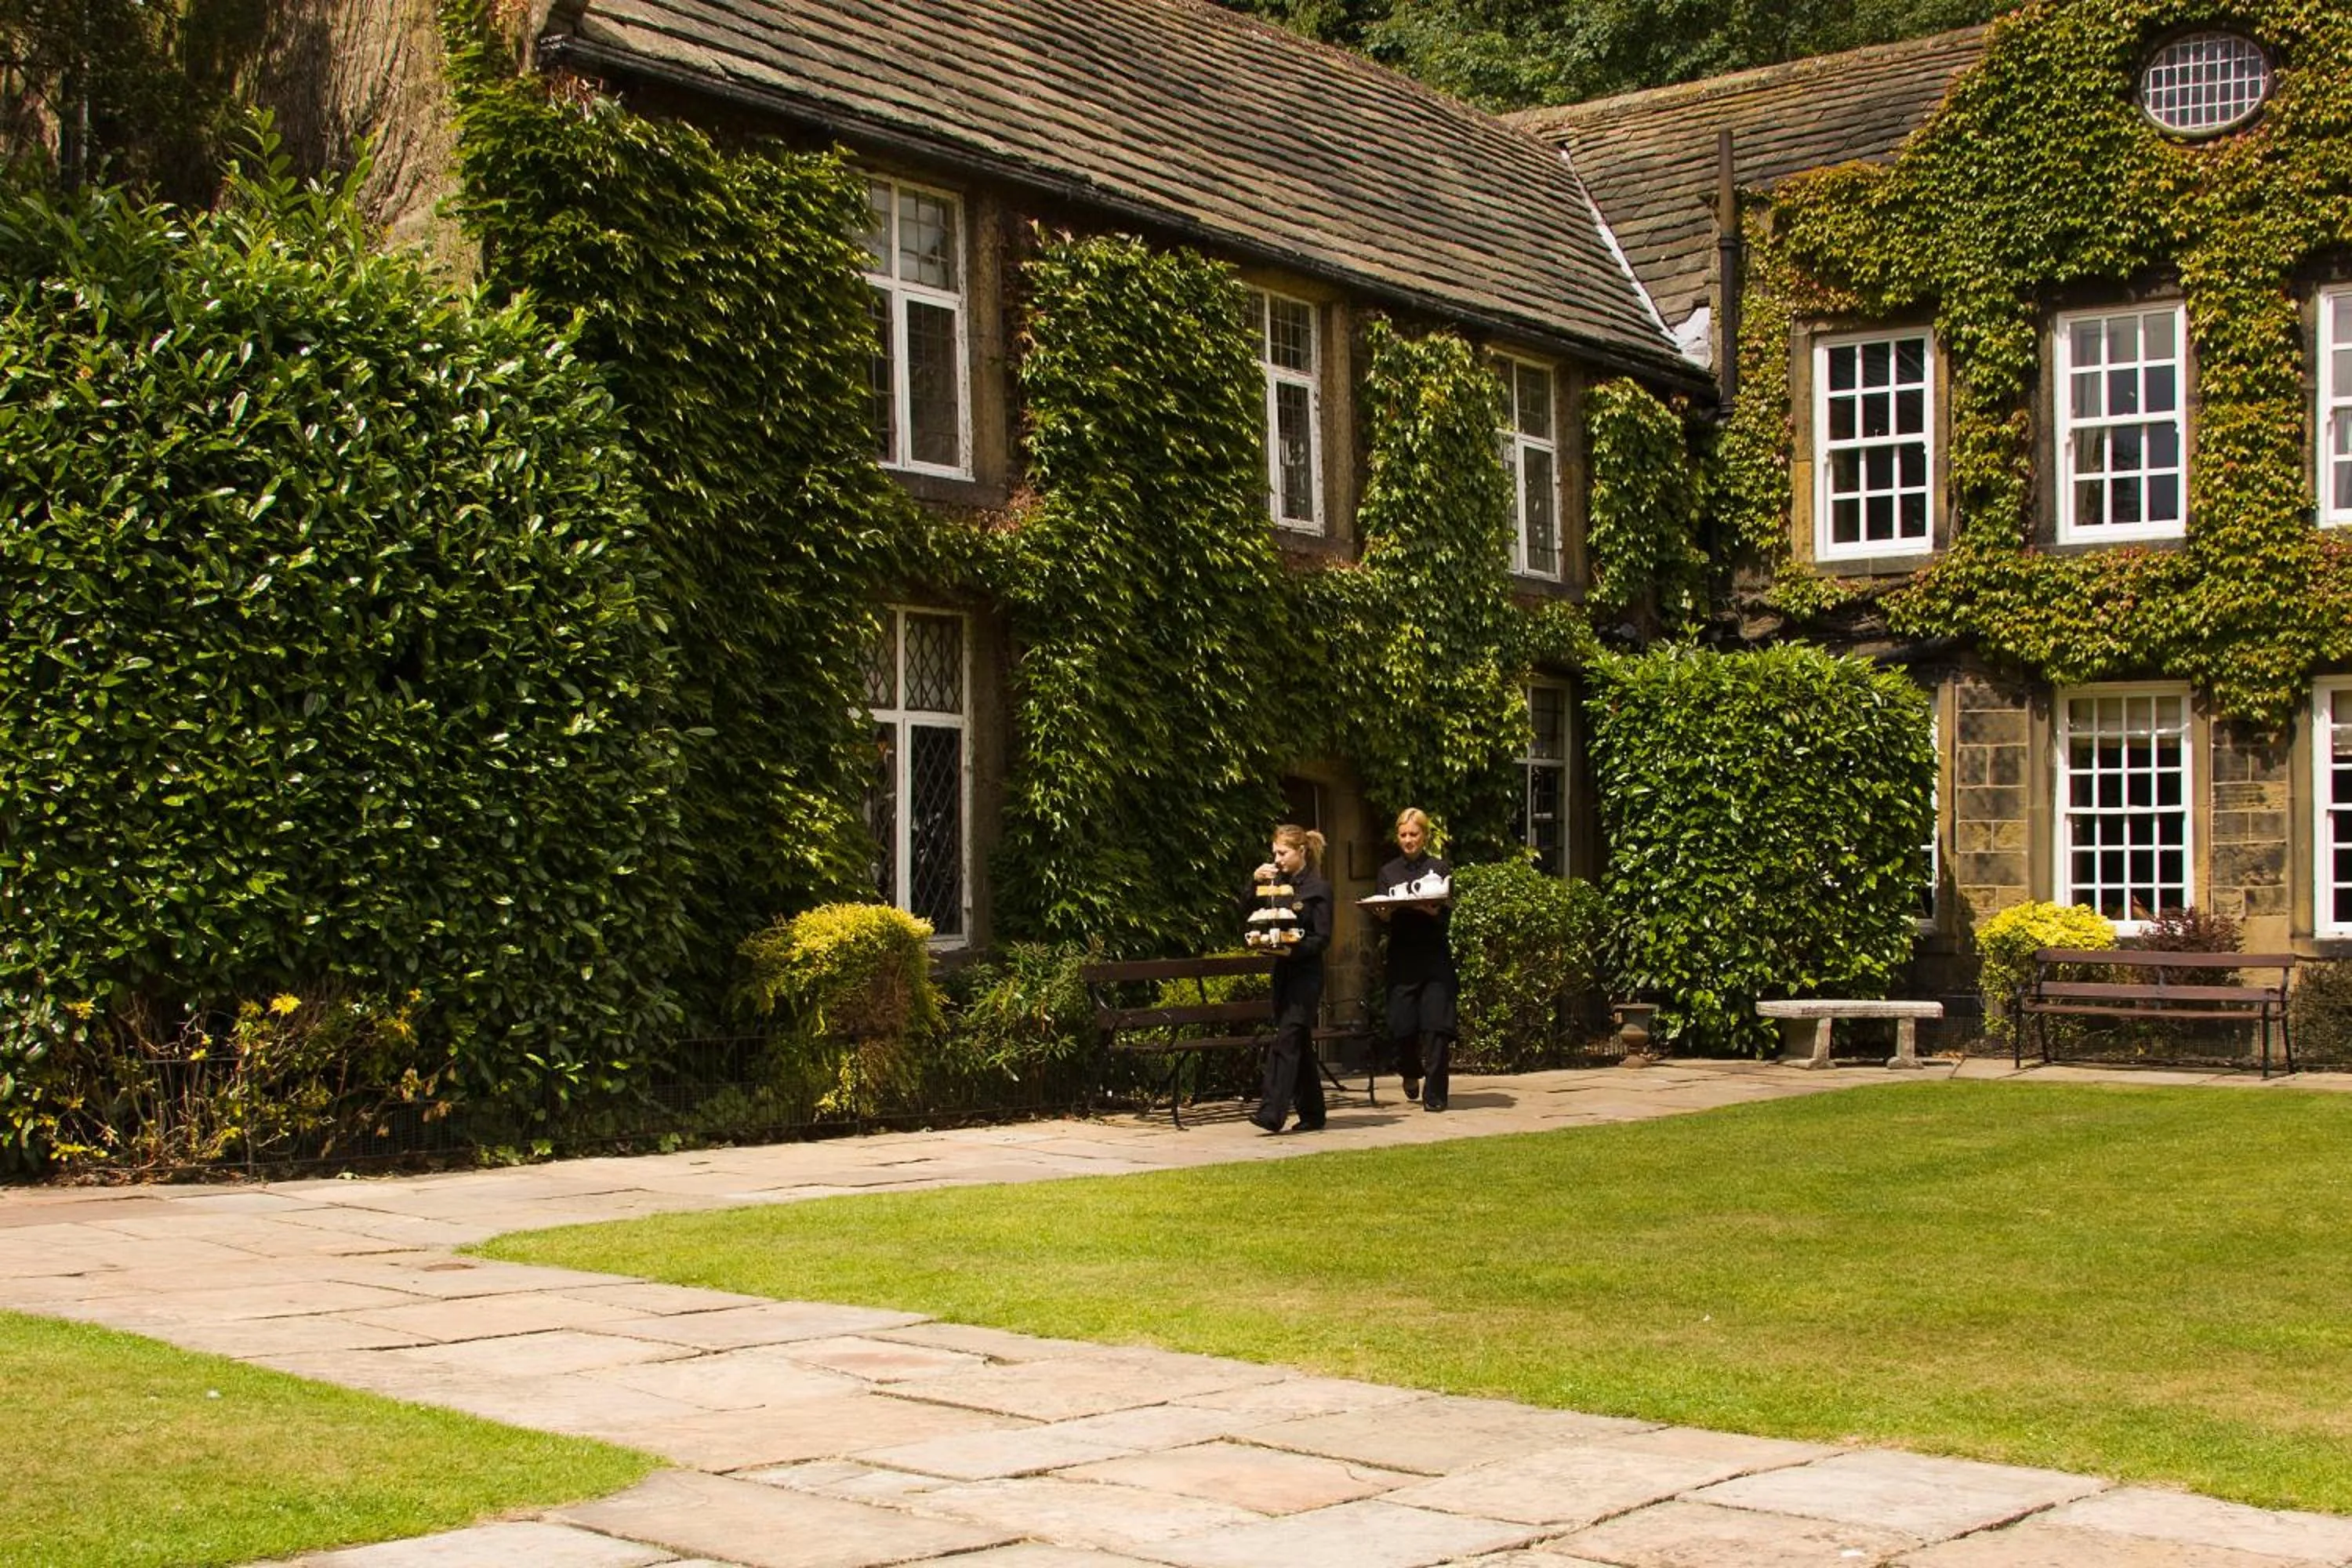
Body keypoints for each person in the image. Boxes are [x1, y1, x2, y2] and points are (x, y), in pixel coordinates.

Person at [1247, 824, 1331, 1134]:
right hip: (1282, 974)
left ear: (1301, 851)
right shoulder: (1274, 887)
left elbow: (1322, 939)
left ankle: (1272, 1112)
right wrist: (1252, 883)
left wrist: (1292, 949)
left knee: (1286, 1039)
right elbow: (1249, 913)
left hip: (1306, 976)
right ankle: (1313, 1113)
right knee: (1299, 1043)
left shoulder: (1319, 889)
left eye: (1282, 853)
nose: (1277, 859)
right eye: (1274, 853)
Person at [1374, 807, 1457, 1111]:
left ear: (1425, 836)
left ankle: (1435, 1097)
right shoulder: (1388, 872)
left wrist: (1432, 913)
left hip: (1434, 958)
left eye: (1414, 834)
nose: (1408, 840)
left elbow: (1446, 916)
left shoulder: (1441, 869)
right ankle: (1409, 1070)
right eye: (1403, 834)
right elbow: (1381, 914)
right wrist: (1382, 916)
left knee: (1437, 1028)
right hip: (1402, 958)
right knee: (1402, 1026)